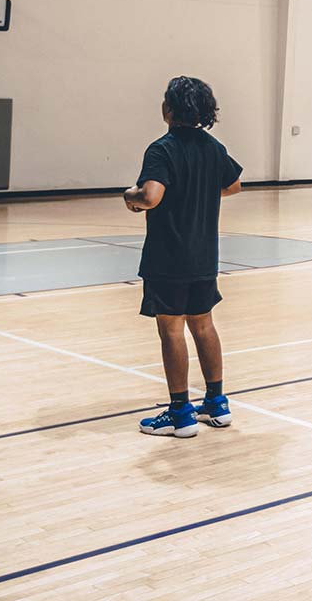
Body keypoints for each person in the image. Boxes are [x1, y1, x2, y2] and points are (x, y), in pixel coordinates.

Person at [126, 76, 242, 438]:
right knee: (203, 325)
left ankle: (180, 413)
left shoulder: (162, 149)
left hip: (169, 256)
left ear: (170, 109)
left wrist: (129, 195)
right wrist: (200, 192)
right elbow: (234, 184)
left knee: (171, 330)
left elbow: (151, 196)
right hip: (204, 256)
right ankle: (216, 404)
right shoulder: (213, 146)